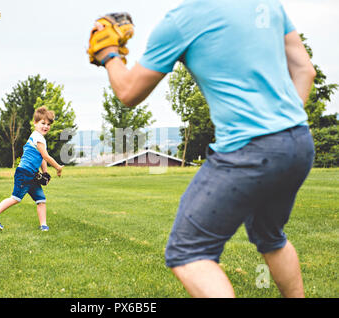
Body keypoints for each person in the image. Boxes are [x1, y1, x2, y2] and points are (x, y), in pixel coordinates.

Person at [91, 0, 316, 297]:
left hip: (247, 149)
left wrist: (109, 54)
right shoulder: (267, 5)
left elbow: (129, 92)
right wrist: (280, 128)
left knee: (189, 253)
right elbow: (305, 71)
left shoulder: (182, 20)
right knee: (269, 235)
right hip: (298, 141)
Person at [0, 106, 64, 232]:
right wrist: (58, 167)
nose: (46, 126)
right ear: (35, 123)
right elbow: (46, 156)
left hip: (32, 175)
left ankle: (43, 225)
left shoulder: (40, 139)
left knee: (41, 199)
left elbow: (41, 158)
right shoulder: (38, 137)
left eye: (48, 124)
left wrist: (45, 173)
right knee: (15, 198)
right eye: (43, 123)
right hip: (24, 173)